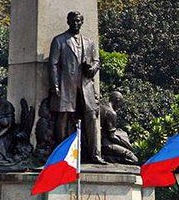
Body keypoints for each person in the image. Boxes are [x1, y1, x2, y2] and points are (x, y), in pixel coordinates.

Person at [49, 11, 106, 164]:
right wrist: (55, 85)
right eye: (73, 21)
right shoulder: (59, 40)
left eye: (79, 21)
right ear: (68, 22)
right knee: (63, 117)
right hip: (66, 84)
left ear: (82, 22)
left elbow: (96, 62)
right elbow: (53, 64)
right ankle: (61, 154)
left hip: (86, 85)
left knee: (91, 118)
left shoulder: (89, 42)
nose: (76, 24)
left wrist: (91, 69)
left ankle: (94, 154)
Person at [100, 91, 138, 164]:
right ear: (117, 100)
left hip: (100, 142)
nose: (119, 106)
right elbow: (112, 137)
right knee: (133, 158)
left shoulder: (101, 107)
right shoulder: (111, 113)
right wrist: (127, 145)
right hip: (105, 144)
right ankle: (105, 158)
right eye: (120, 103)